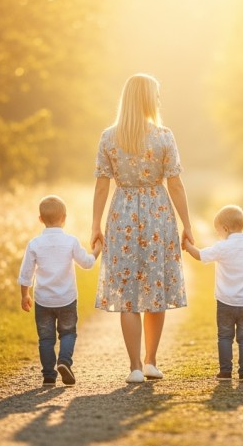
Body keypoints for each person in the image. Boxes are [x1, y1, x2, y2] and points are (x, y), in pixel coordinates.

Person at [91, 73, 194, 384]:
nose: (159, 100)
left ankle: (135, 366)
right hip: (157, 214)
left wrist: (95, 225)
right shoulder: (164, 136)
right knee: (154, 288)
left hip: (121, 213)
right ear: (149, 99)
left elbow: (100, 186)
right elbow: (174, 184)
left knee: (127, 294)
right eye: (157, 95)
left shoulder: (109, 136)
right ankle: (150, 361)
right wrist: (187, 224)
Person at [183, 205, 243, 382]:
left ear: (225, 228)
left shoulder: (222, 247)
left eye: (218, 231)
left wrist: (186, 245)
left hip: (225, 302)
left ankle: (225, 372)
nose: (218, 235)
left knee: (224, 336)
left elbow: (200, 255)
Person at [18, 195, 102, 386]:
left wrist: (25, 295)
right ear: (65, 218)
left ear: (40, 219)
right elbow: (87, 264)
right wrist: (97, 250)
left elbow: (26, 273)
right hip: (67, 299)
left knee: (45, 338)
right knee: (68, 333)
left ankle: (48, 375)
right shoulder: (71, 241)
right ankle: (64, 361)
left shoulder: (34, 244)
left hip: (43, 300)